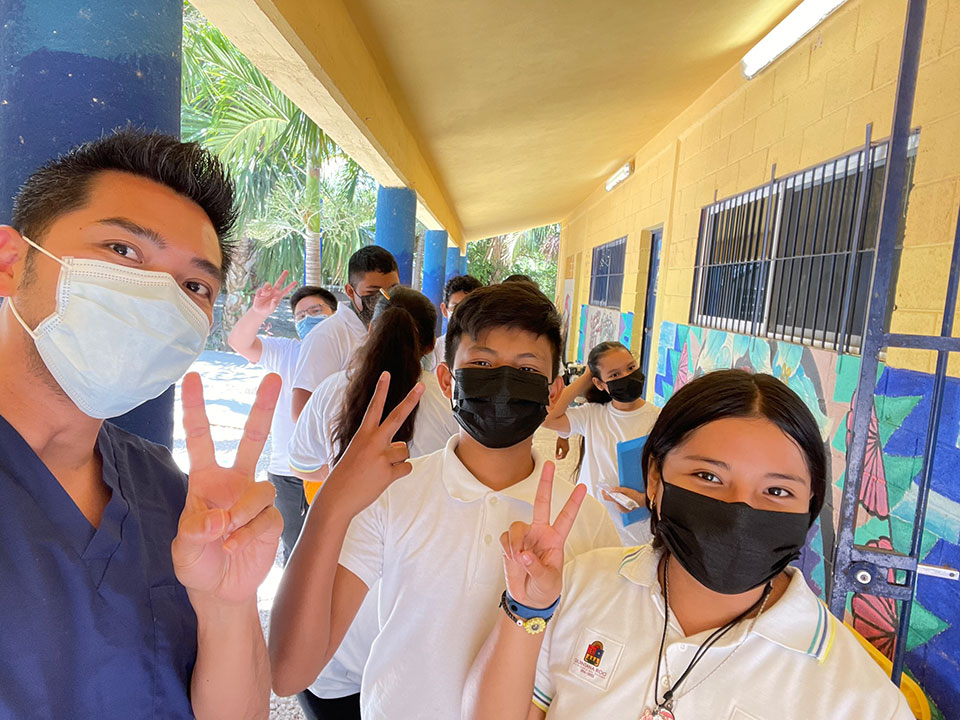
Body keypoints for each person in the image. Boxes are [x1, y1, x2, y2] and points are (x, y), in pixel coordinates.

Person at [0, 129, 281, 718]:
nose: (159, 296)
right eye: (123, 251)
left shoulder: (169, 491)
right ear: (10, 261)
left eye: (195, 286)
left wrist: (227, 603)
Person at [464, 370, 915, 720]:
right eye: (709, 477)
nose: (739, 509)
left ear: (810, 504)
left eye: (777, 491)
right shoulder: (583, 583)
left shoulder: (860, 699)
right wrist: (528, 608)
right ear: (656, 478)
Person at [269, 281, 621, 720]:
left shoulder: (584, 523)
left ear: (553, 393)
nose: (504, 381)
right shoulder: (394, 493)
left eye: (528, 371)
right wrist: (333, 501)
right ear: (444, 379)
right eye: (482, 363)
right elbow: (289, 673)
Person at [286, 285, 459, 720]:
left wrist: (345, 488)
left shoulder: (331, 392)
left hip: (334, 604)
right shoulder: (445, 406)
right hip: (410, 596)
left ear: (370, 331)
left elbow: (303, 464)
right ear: (429, 346)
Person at [226, 274, 337, 563]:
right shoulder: (287, 351)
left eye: (316, 312)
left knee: (337, 554)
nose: (308, 318)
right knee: (297, 557)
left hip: (336, 471)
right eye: (301, 315)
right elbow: (239, 342)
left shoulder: (351, 353)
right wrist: (258, 311)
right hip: (289, 475)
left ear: (334, 316)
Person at [543, 340, 659, 544]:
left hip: (636, 536)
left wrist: (645, 501)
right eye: (614, 375)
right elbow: (549, 418)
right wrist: (586, 376)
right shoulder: (592, 415)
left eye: (631, 368)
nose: (626, 377)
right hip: (588, 529)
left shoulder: (660, 419)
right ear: (599, 383)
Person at [290, 246, 399, 420]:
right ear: (350, 291)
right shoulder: (325, 336)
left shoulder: (394, 328)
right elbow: (301, 413)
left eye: (392, 290)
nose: (385, 300)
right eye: (373, 293)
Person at [426, 273, 483, 370]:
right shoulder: (433, 351)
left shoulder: (488, 350)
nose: (463, 314)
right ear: (444, 310)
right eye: (456, 308)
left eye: (469, 308)